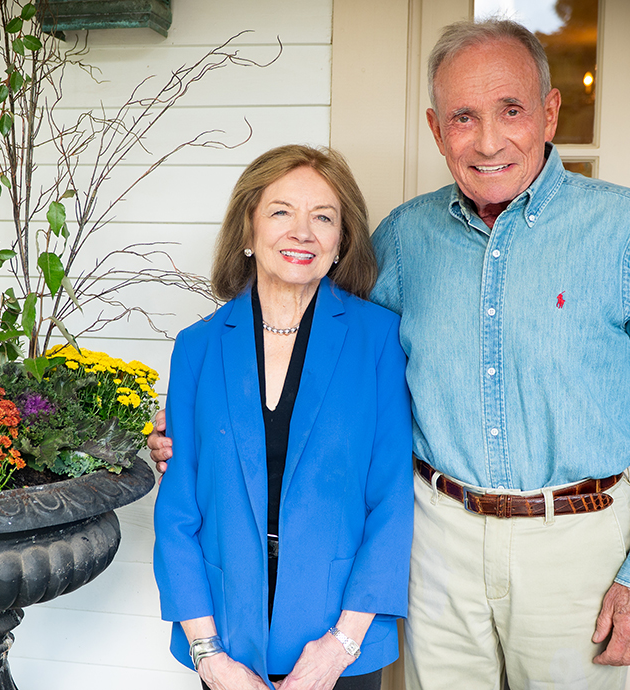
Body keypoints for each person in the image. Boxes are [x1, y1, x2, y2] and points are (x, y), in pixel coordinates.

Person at [152, 18, 630, 690]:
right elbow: (321, 349)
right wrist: (196, 434)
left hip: (578, 549)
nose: (487, 141)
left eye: (510, 110)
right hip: (437, 545)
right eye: (463, 117)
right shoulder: (404, 239)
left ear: (549, 113)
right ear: (436, 129)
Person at [153, 145, 413, 690]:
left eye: (324, 217)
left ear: (341, 241)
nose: (303, 232)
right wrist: (209, 655)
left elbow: (391, 500)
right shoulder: (197, 347)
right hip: (225, 637)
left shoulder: (378, 339)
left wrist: (341, 645)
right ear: (246, 231)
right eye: (280, 212)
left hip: (339, 637)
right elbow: (177, 512)